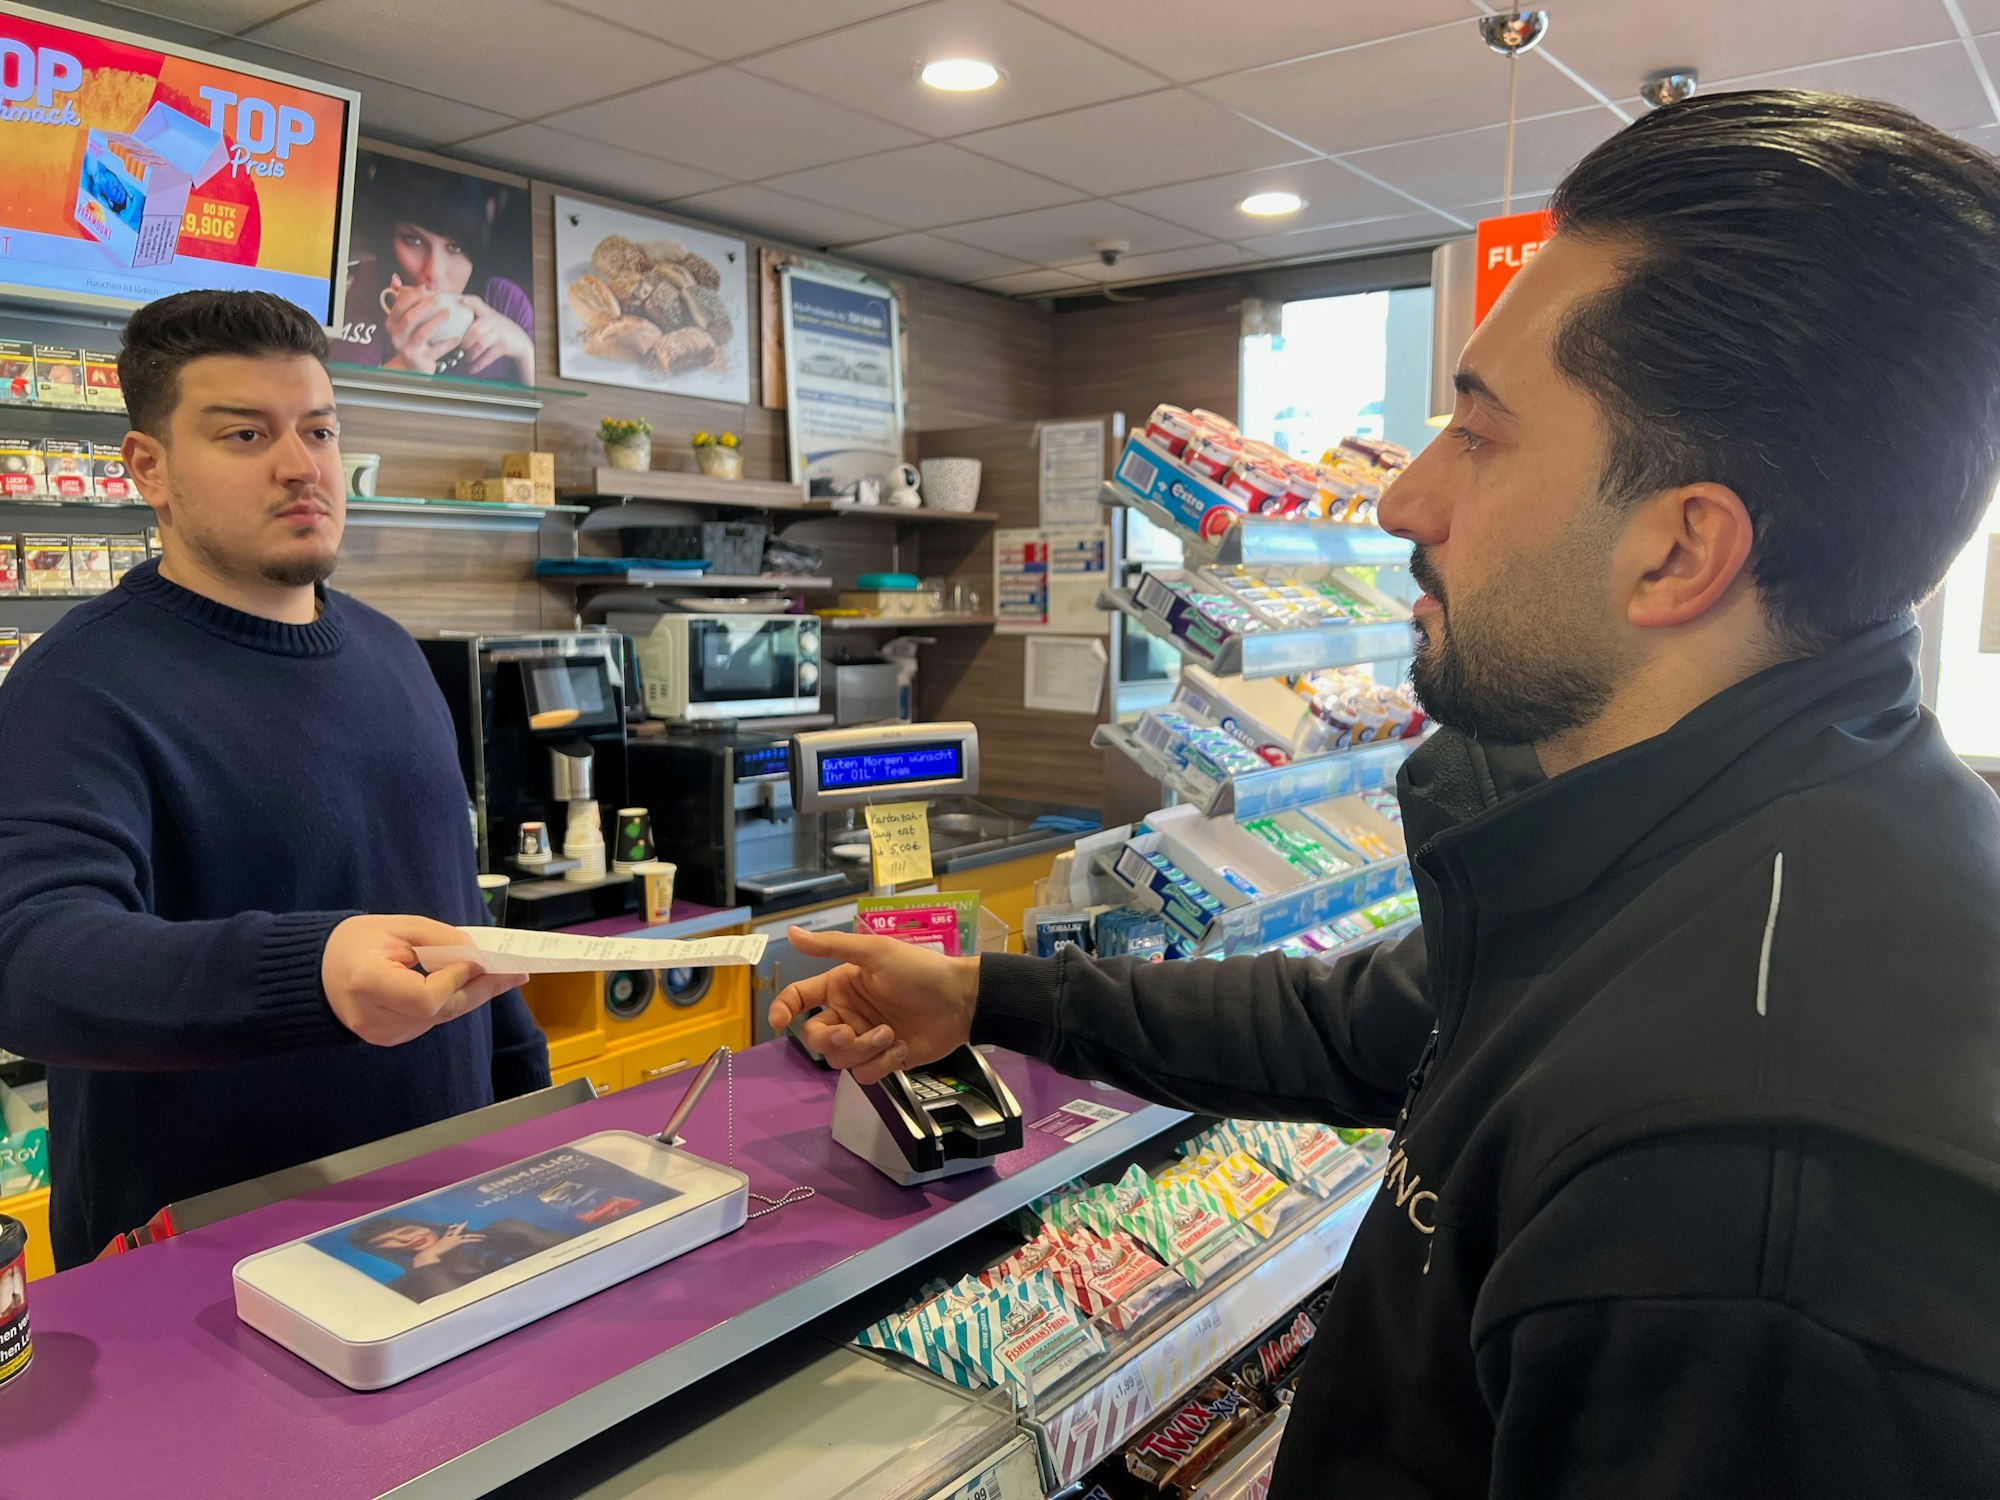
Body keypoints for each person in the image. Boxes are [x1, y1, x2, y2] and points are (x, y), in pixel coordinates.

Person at [772, 91, 2000, 1498]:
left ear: (1679, 552)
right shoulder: (1703, 837)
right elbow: (1363, 1026)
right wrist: (987, 997)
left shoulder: (1754, 1196)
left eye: (1478, 434)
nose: (1403, 500)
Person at [0, 290, 544, 1271]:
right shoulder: (76, 687)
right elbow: (30, 958)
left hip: (451, 1217)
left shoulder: (392, 654)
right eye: (246, 434)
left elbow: (453, 913)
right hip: (207, 1269)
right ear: (148, 468)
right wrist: (315, 972)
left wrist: (522, 1110)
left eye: (319, 430)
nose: (302, 466)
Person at [343, 155, 536, 384]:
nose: (433, 271)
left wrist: (525, 352)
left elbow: (550, 416)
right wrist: (400, 370)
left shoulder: (505, 301)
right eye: (412, 240)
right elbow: (338, 408)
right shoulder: (371, 287)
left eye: (455, 247)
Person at [345, 1214, 568, 1303]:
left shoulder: (503, 1230)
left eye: (408, 1231)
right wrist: (426, 1259)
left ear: (425, 1226)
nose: (406, 1241)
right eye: (388, 1241)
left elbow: (573, 1248)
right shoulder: (404, 1287)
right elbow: (462, 1311)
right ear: (383, 1252)